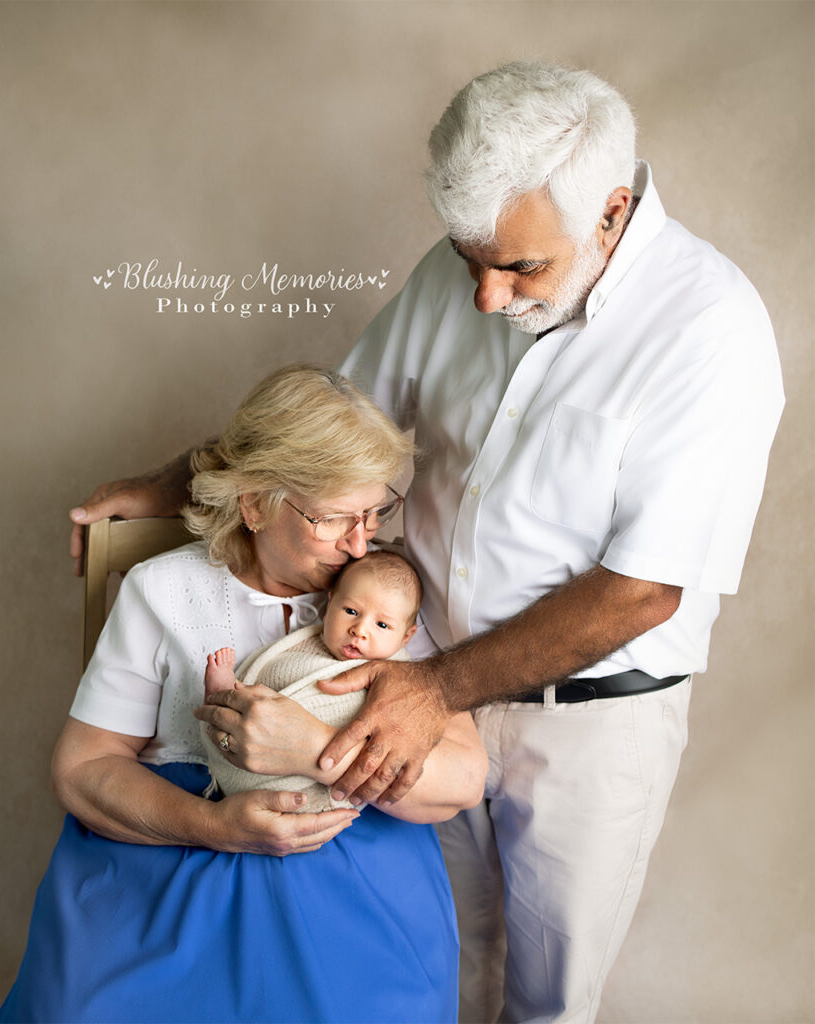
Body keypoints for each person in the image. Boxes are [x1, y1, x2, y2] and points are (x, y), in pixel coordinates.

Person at [66, 63, 785, 1024]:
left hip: (576, 724)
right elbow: (331, 425)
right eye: (466, 259)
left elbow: (641, 591)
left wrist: (430, 694)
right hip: (407, 682)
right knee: (424, 976)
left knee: (545, 1002)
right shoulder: (472, 268)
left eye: (519, 268)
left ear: (611, 211)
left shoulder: (710, 331)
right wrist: (173, 481)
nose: (483, 298)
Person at [1, 364, 487, 1024]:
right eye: (333, 517)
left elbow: (460, 780)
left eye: (375, 511)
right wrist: (216, 828)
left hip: (345, 863)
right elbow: (83, 768)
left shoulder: (386, 597)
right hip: (178, 846)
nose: (360, 541)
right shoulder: (162, 589)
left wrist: (315, 751)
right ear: (255, 504)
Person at [201, 549, 421, 811]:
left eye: (382, 625)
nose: (359, 630)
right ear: (329, 606)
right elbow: (270, 681)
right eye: (351, 610)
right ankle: (224, 694)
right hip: (252, 742)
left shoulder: (403, 677)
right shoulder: (306, 648)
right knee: (243, 705)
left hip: (313, 780)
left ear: (406, 637)